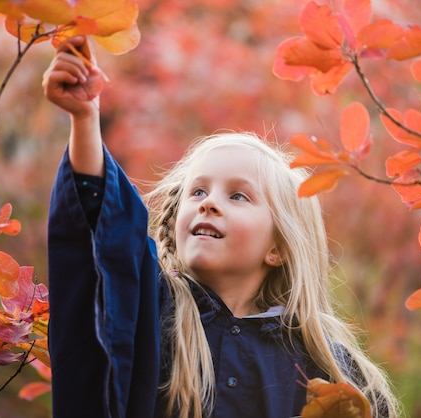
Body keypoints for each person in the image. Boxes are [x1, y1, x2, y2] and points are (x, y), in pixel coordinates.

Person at [42, 36, 399, 418]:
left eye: (238, 196)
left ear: (277, 247)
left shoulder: (328, 370)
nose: (208, 202)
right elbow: (109, 239)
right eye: (197, 191)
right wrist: (85, 119)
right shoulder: (151, 309)